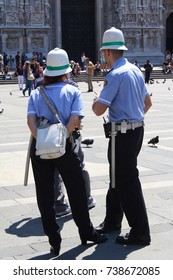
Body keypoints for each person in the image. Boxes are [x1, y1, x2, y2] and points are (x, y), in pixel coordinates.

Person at [27, 47, 107, 256]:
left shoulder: (36, 92)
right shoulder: (72, 91)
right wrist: (60, 139)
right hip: (65, 146)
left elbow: (30, 122)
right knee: (76, 190)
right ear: (65, 72)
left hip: (40, 148)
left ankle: (54, 239)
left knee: (45, 194)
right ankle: (86, 232)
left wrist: (43, 140)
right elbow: (75, 121)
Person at [92, 27, 152, 246]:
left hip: (122, 134)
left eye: (103, 54)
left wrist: (96, 98)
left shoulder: (115, 75)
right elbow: (148, 103)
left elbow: (99, 110)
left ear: (108, 52)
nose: (103, 59)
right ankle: (112, 221)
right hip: (136, 131)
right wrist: (133, 118)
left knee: (127, 181)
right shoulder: (135, 70)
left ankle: (140, 232)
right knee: (117, 176)